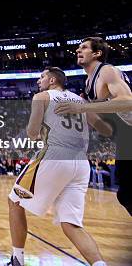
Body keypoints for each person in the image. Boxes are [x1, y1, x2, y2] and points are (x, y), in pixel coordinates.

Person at [7, 67, 112, 266]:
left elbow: (31, 132)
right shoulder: (80, 101)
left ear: (53, 80)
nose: (39, 81)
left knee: (14, 202)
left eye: (42, 77)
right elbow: (105, 130)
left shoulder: (42, 97)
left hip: (55, 155)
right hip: (81, 163)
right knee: (71, 224)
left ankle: (17, 259)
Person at [54, 37, 132, 215]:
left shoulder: (107, 71)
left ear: (97, 53)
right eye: (78, 48)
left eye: (84, 47)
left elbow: (128, 102)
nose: (78, 50)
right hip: (125, 138)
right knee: (126, 195)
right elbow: (105, 129)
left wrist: (83, 106)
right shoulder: (88, 83)